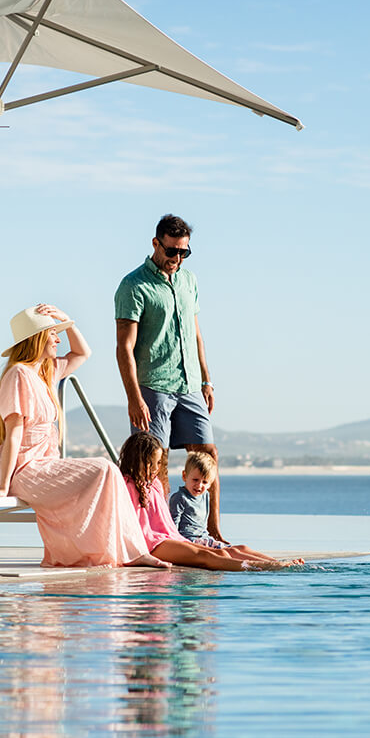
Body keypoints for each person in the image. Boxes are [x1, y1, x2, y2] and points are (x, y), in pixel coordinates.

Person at [0, 303, 167, 569]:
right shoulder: (18, 375)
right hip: (25, 471)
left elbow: (82, 353)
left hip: (45, 466)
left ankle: (130, 550)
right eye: (53, 333)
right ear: (37, 338)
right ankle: (127, 552)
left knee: (109, 472)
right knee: (104, 469)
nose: (58, 339)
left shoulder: (46, 374)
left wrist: (67, 321)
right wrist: (3, 486)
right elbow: (14, 433)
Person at [114, 214, 226, 543]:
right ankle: (162, 534)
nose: (177, 258)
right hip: (153, 385)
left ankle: (212, 529)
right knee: (154, 461)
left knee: (209, 453)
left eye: (183, 252)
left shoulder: (189, 280)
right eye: (171, 250)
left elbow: (196, 335)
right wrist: (134, 398)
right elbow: (124, 347)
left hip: (189, 384)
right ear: (155, 244)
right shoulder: (133, 285)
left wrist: (206, 380)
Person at [118, 433, 298, 569]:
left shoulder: (155, 484)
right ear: (136, 459)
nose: (155, 469)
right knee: (204, 557)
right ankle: (258, 567)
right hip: (151, 543)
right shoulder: (125, 485)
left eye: (158, 463)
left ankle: (276, 564)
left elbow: (165, 523)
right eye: (150, 463)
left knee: (224, 552)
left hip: (169, 538)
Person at [170, 451, 227, 548]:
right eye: (195, 480)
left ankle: (255, 559)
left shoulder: (205, 495)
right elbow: (173, 527)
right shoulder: (180, 498)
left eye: (204, 482)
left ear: (210, 484)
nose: (199, 485)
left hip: (204, 537)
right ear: (184, 476)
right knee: (222, 552)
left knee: (239, 549)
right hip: (189, 540)